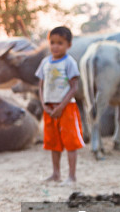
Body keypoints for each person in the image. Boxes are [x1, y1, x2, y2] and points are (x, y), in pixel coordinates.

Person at [35, 26, 85, 184]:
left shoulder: (69, 63)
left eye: (60, 43)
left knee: (70, 144)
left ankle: (72, 176)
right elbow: (41, 86)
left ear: (68, 45)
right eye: (52, 42)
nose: (55, 46)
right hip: (49, 108)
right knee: (53, 143)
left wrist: (61, 107)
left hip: (66, 108)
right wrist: (44, 104)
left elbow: (74, 87)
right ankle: (56, 174)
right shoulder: (45, 62)